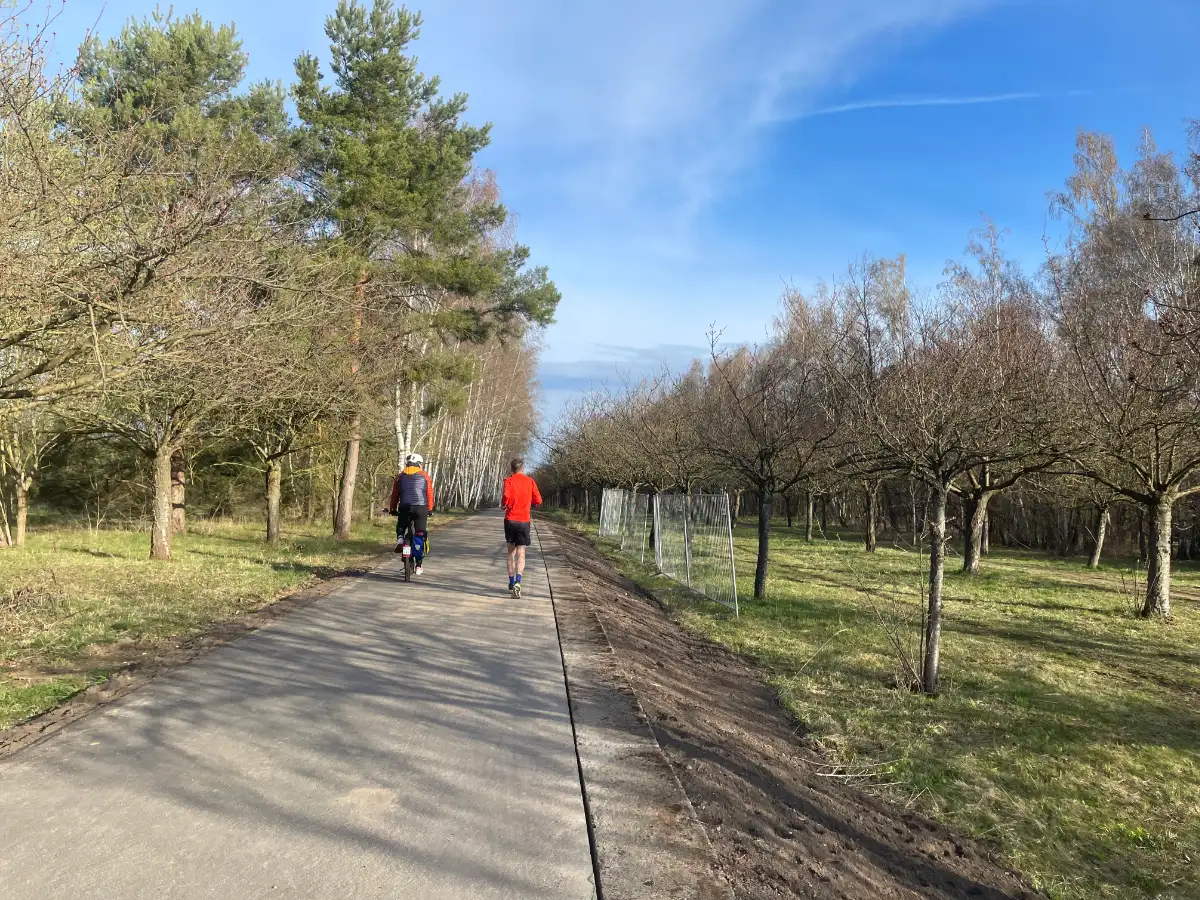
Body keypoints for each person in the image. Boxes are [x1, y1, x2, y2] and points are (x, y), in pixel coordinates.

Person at [501, 457, 542, 597]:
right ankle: (519, 581)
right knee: (521, 554)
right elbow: (538, 500)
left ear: (512, 469)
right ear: (522, 469)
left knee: (510, 553)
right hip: (524, 521)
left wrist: (504, 504)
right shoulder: (530, 481)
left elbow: (506, 495)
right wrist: (530, 502)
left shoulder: (509, 481)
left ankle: (511, 582)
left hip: (510, 520)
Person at [388, 453, 434, 575]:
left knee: (402, 523)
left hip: (404, 507)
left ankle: (400, 538)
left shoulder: (400, 476)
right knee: (420, 533)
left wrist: (392, 508)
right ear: (419, 464)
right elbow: (429, 493)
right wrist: (430, 509)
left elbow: (395, 495)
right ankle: (419, 566)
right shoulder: (424, 475)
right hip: (421, 507)